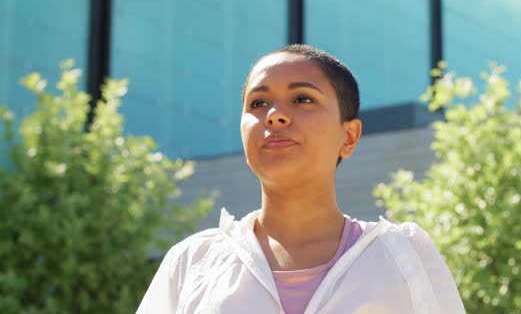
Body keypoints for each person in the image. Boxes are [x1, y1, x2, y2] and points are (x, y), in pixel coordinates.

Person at [137, 44, 465, 313]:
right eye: (258, 102)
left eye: (303, 99)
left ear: (349, 136)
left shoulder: (403, 255)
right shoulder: (193, 262)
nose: (274, 114)